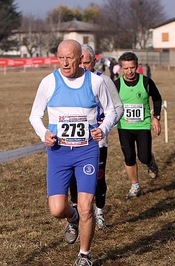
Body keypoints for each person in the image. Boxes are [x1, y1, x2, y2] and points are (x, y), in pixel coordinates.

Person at [29, 39, 118, 266]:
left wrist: (102, 128)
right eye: (61, 57)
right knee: (57, 209)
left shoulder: (96, 82)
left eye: (70, 58)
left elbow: (111, 111)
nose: (65, 62)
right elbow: (35, 115)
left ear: (80, 59)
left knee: (87, 206)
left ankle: (84, 255)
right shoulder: (49, 82)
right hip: (58, 152)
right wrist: (43, 134)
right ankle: (73, 217)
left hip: (86, 151)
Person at [69, 44, 124, 231]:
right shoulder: (68, 81)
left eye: (86, 63)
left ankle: (99, 213)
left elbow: (118, 108)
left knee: (98, 178)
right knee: (73, 180)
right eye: (80, 63)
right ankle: (75, 217)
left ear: (94, 61)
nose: (83, 67)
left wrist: (105, 126)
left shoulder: (104, 81)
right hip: (74, 142)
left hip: (98, 142)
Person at [114, 52, 162, 199]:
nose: (129, 71)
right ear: (121, 68)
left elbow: (157, 98)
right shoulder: (116, 85)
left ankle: (150, 161)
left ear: (137, 66)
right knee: (129, 156)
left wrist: (156, 117)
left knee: (143, 156)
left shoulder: (146, 82)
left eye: (132, 67)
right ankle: (135, 186)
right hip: (124, 127)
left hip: (142, 126)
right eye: (126, 68)